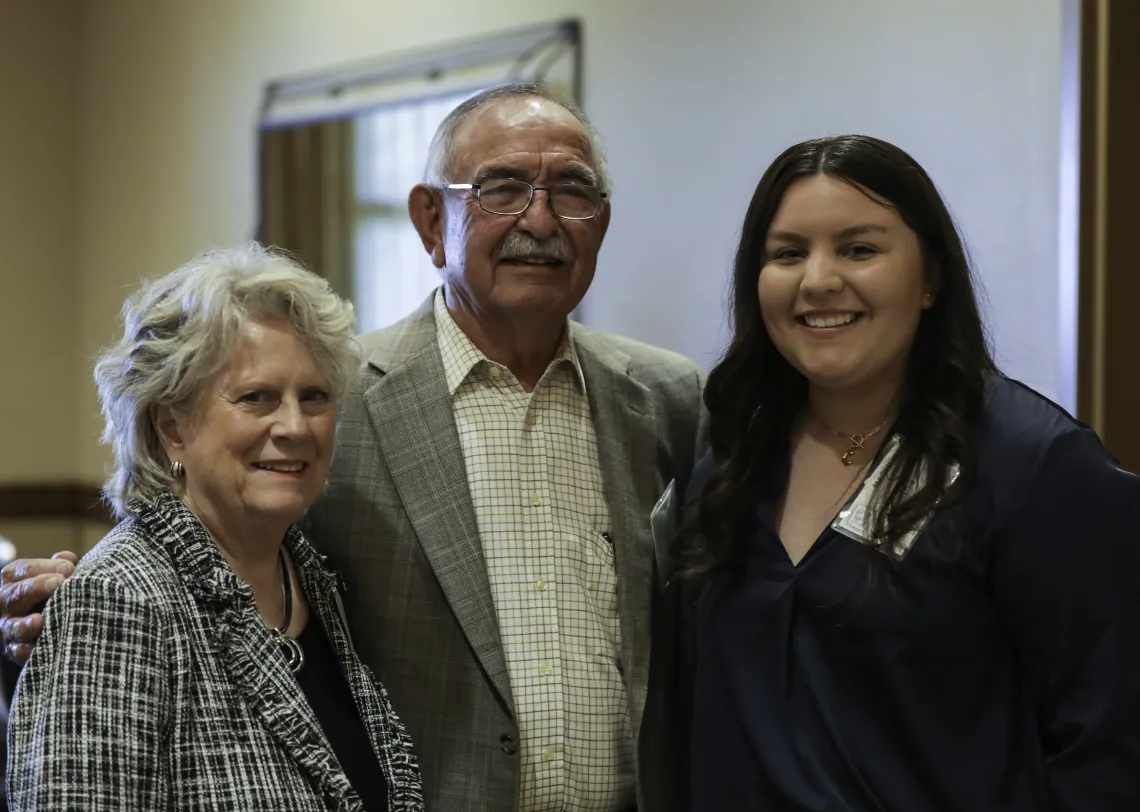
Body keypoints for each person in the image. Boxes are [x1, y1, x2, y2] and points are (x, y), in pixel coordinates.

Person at [1, 83, 706, 812]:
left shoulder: (667, 400)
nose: (541, 217)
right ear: (432, 221)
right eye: (501, 188)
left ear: (603, 219)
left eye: (571, 190)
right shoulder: (350, 401)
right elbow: (191, 552)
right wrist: (75, 599)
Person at [675, 134, 1140, 811]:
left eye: (860, 249)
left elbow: (1109, 747)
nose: (819, 280)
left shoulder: (1037, 467)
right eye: (788, 253)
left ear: (930, 278)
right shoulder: (728, 468)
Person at [5, 245, 424, 811]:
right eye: (258, 398)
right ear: (172, 425)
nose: (296, 426)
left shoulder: (315, 580)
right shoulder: (118, 602)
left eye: (315, 396)